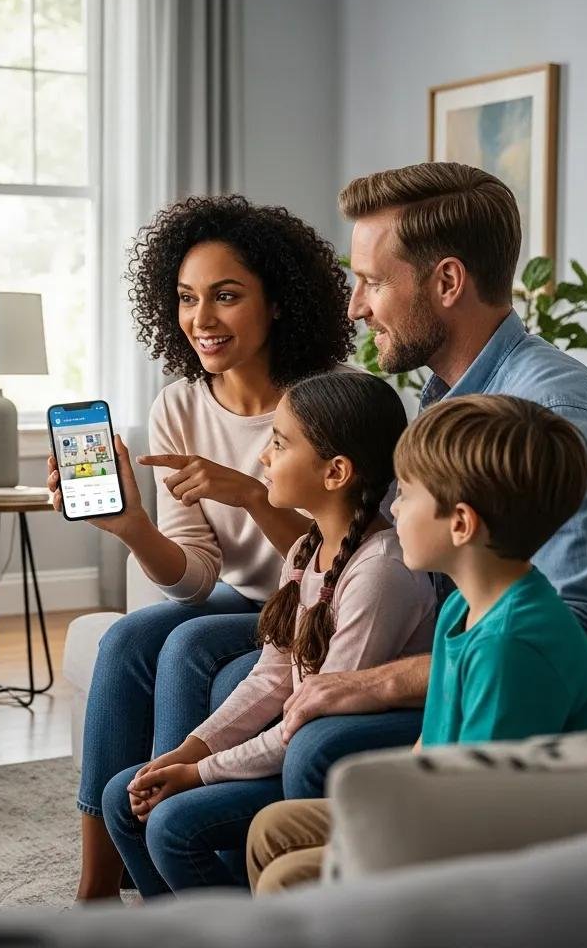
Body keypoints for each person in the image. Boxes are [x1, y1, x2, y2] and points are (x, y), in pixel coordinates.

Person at [273, 162, 587, 804]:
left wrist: (378, 682)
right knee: (197, 650)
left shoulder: (555, 421)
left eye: (372, 282)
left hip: (542, 717)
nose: (356, 308)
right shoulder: (450, 398)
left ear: (447, 282)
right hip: (464, 648)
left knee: (319, 749)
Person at [47, 195, 355, 900]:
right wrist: (129, 526)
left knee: (187, 650)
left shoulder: (338, 402)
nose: (202, 320)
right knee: (125, 640)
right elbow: (192, 583)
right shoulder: (179, 405)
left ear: (277, 302)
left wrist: (251, 493)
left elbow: (343, 557)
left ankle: (164, 842)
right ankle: (96, 884)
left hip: (315, 600)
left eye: (225, 296)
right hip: (235, 597)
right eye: (187, 299)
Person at [247, 394, 587, 893]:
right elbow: (430, 748)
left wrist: (360, 846)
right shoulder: (461, 608)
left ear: (460, 524)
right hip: (446, 805)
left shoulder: (513, 648)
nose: (394, 507)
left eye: (408, 494)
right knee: (272, 829)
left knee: (290, 877)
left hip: (511, 849)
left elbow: (490, 810)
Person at [99, 371, 436, 895]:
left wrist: (203, 772)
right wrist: (189, 750)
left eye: (278, 444)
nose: (262, 459)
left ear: (336, 472)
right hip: (292, 736)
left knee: (171, 825)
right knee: (123, 795)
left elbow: (309, 719)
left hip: (333, 753)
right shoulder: (306, 551)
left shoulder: (380, 573)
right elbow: (271, 677)